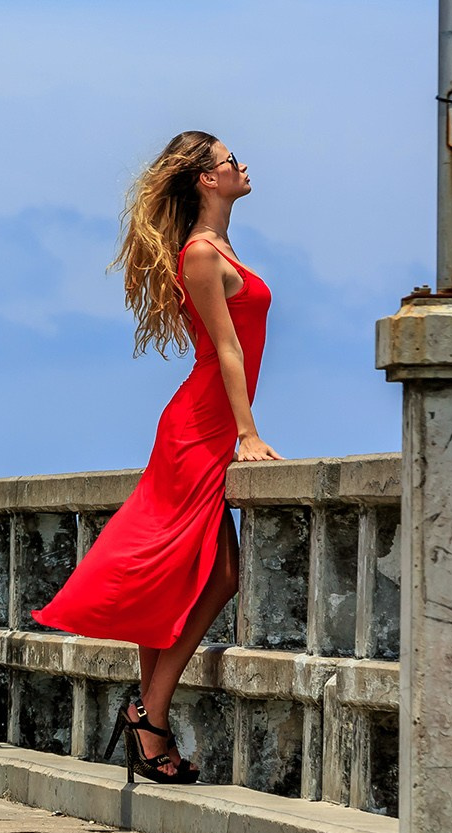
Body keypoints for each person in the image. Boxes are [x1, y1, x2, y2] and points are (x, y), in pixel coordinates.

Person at [34, 131, 277, 783]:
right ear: (206, 179)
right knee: (217, 577)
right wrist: (247, 435)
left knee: (183, 578)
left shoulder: (220, 249)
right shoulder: (202, 254)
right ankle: (151, 714)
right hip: (198, 429)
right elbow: (227, 350)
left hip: (207, 425)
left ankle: (151, 721)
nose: (243, 165)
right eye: (231, 160)